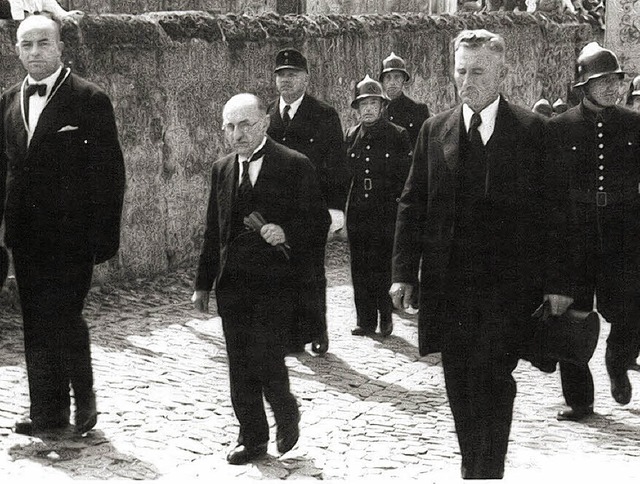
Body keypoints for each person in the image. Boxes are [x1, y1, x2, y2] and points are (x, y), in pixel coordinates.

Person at [390, 29, 563, 479]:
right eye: (461, 71)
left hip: (508, 288)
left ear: (502, 72)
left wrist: (562, 284)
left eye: (478, 71)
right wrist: (404, 273)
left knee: (492, 378)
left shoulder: (533, 131)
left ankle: (485, 470)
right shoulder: (435, 130)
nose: (467, 81)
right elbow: (412, 203)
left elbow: (558, 212)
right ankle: (475, 463)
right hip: (450, 287)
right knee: (458, 380)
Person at [0, 13, 125, 435]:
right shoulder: (7, 101)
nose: (34, 52)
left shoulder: (89, 99)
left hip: (74, 236)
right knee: (36, 320)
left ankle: (84, 398)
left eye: (43, 43)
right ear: (16, 50)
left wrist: (104, 239)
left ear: (60, 47)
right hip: (25, 237)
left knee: (65, 315)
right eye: (26, 45)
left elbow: (111, 174)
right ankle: (47, 413)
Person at [192, 93, 328, 465]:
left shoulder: (294, 165)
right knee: (238, 362)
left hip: (276, 285)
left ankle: (285, 411)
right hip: (232, 284)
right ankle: (251, 437)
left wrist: (286, 232)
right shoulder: (222, 169)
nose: (237, 134)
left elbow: (318, 223)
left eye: (245, 124)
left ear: (264, 123)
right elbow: (213, 230)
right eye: (230, 127)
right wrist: (203, 284)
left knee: (267, 356)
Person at [547, 42, 640, 421]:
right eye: (602, 81)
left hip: (625, 229)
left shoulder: (635, 124)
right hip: (575, 231)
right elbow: (547, 191)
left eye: (615, 80)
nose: (611, 87)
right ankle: (580, 400)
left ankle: (618, 362)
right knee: (573, 316)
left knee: (632, 309)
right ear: (583, 85)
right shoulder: (557, 128)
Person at [267, 48, 348, 355]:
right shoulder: (269, 116)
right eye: (281, 75)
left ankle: (318, 330)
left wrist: (336, 210)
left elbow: (338, 166)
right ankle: (290, 333)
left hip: (311, 210)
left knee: (311, 273)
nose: (285, 81)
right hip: (278, 212)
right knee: (281, 272)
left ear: (306, 78)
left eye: (292, 74)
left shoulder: (323, 115)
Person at [346, 75, 412, 337]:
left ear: (382, 106)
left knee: (383, 265)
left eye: (373, 103)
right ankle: (365, 320)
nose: (369, 109)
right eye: (364, 104)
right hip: (359, 210)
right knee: (360, 267)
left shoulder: (397, 135)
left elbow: (405, 178)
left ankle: (385, 317)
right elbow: (345, 176)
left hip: (386, 211)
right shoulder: (351, 136)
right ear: (357, 108)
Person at [379, 52, 430, 147]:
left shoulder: (418, 109)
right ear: (382, 81)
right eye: (388, 77)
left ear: (404, 79)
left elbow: (425, 146)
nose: (392, 82)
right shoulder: (378, 111)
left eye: (397, 77)